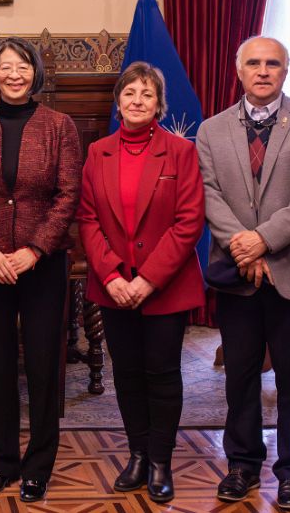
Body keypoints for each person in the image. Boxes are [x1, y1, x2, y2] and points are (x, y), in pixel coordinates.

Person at [195, 36, 290, 510]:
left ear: (285, 70)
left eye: (272, 63)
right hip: (238, 274)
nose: (262, 70)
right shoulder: (211, 130)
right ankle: (241, 464)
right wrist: (245, 247)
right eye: (253, 63)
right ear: (238, 71)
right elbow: (209, 195)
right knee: (239, 375)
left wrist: (263, 240)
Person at [0, 36, 82, 502]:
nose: (14, 74)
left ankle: (38, 465)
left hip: (43, 265)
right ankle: (2, 463)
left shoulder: (59, 126)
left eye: (22, 66)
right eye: (5, 66)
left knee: (45, 365)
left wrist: (34, 249)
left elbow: (69, 196)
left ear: (35, 73)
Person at [76, 62, 206, 503]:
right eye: (129, 92)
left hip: (165, 288)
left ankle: (160, 460)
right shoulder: (98, 152)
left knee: (163, 373)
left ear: (159, 104)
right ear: (118, 101)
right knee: (127, 374)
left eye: (146, 94)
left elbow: (189, 223)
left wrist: (148, 279)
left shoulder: (180, 152)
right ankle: (136, 453)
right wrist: (112, 275)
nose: (136, 100)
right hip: (113, 289)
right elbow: (88, 219)